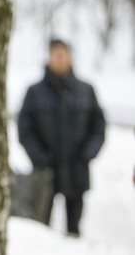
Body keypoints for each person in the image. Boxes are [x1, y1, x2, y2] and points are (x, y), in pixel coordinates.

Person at [17, 38, 106, 236]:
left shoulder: (86, 90)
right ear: (49, 57)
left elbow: (98, 126)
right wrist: (39, 157)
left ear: (70, 57)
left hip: (77, 169)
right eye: (55, 53)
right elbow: (25, 130)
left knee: (74, 229)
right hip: (46, 170)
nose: (59, 58)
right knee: (40, 227)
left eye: (63, 53)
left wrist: (88, 153)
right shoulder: (35, 92)